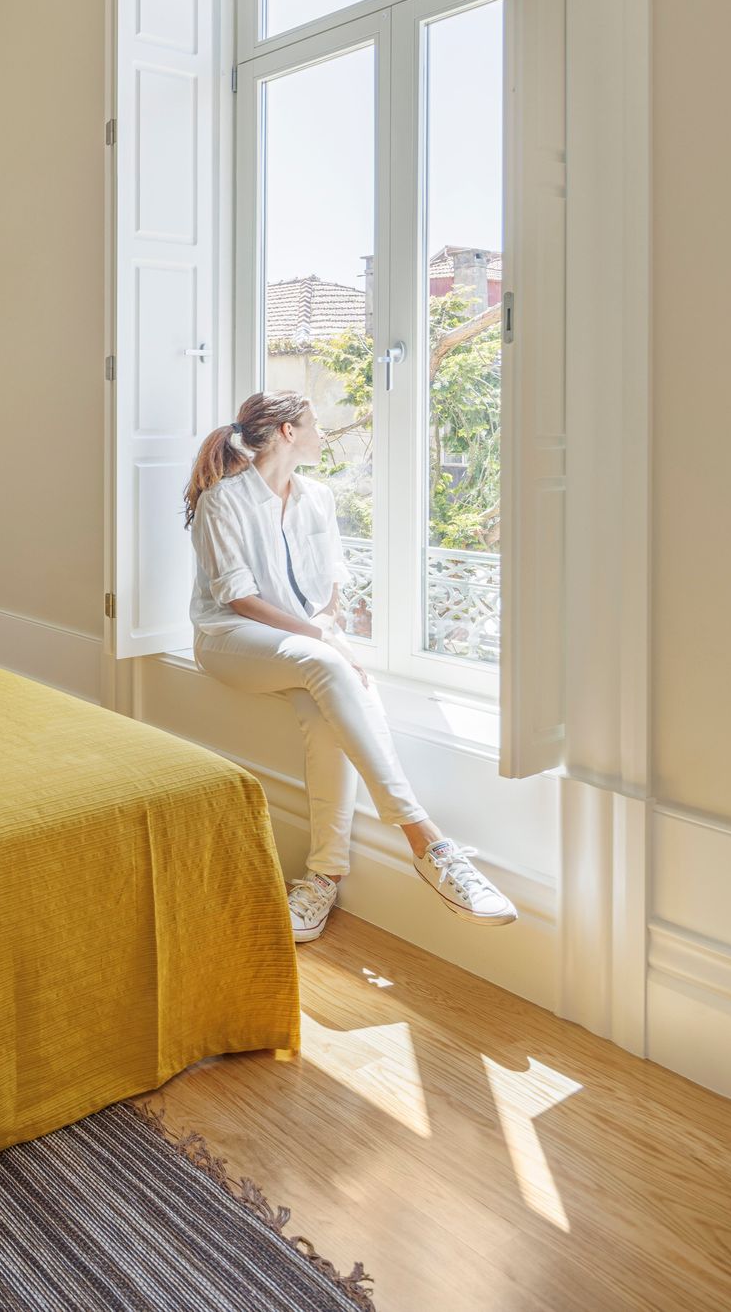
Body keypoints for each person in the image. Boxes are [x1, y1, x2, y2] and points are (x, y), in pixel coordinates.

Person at [185, 390, 516, 944]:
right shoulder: (225, 501)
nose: (323, 434)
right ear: (287, 432)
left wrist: (330, 626)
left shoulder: (317, 496)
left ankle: (323, 878)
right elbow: (238, 597)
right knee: (326, 664)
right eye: (315, 424)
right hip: (230, 639)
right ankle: (427, 841)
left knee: (324, 714)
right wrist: (325, 639)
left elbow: (332, 577)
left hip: (303, 643)